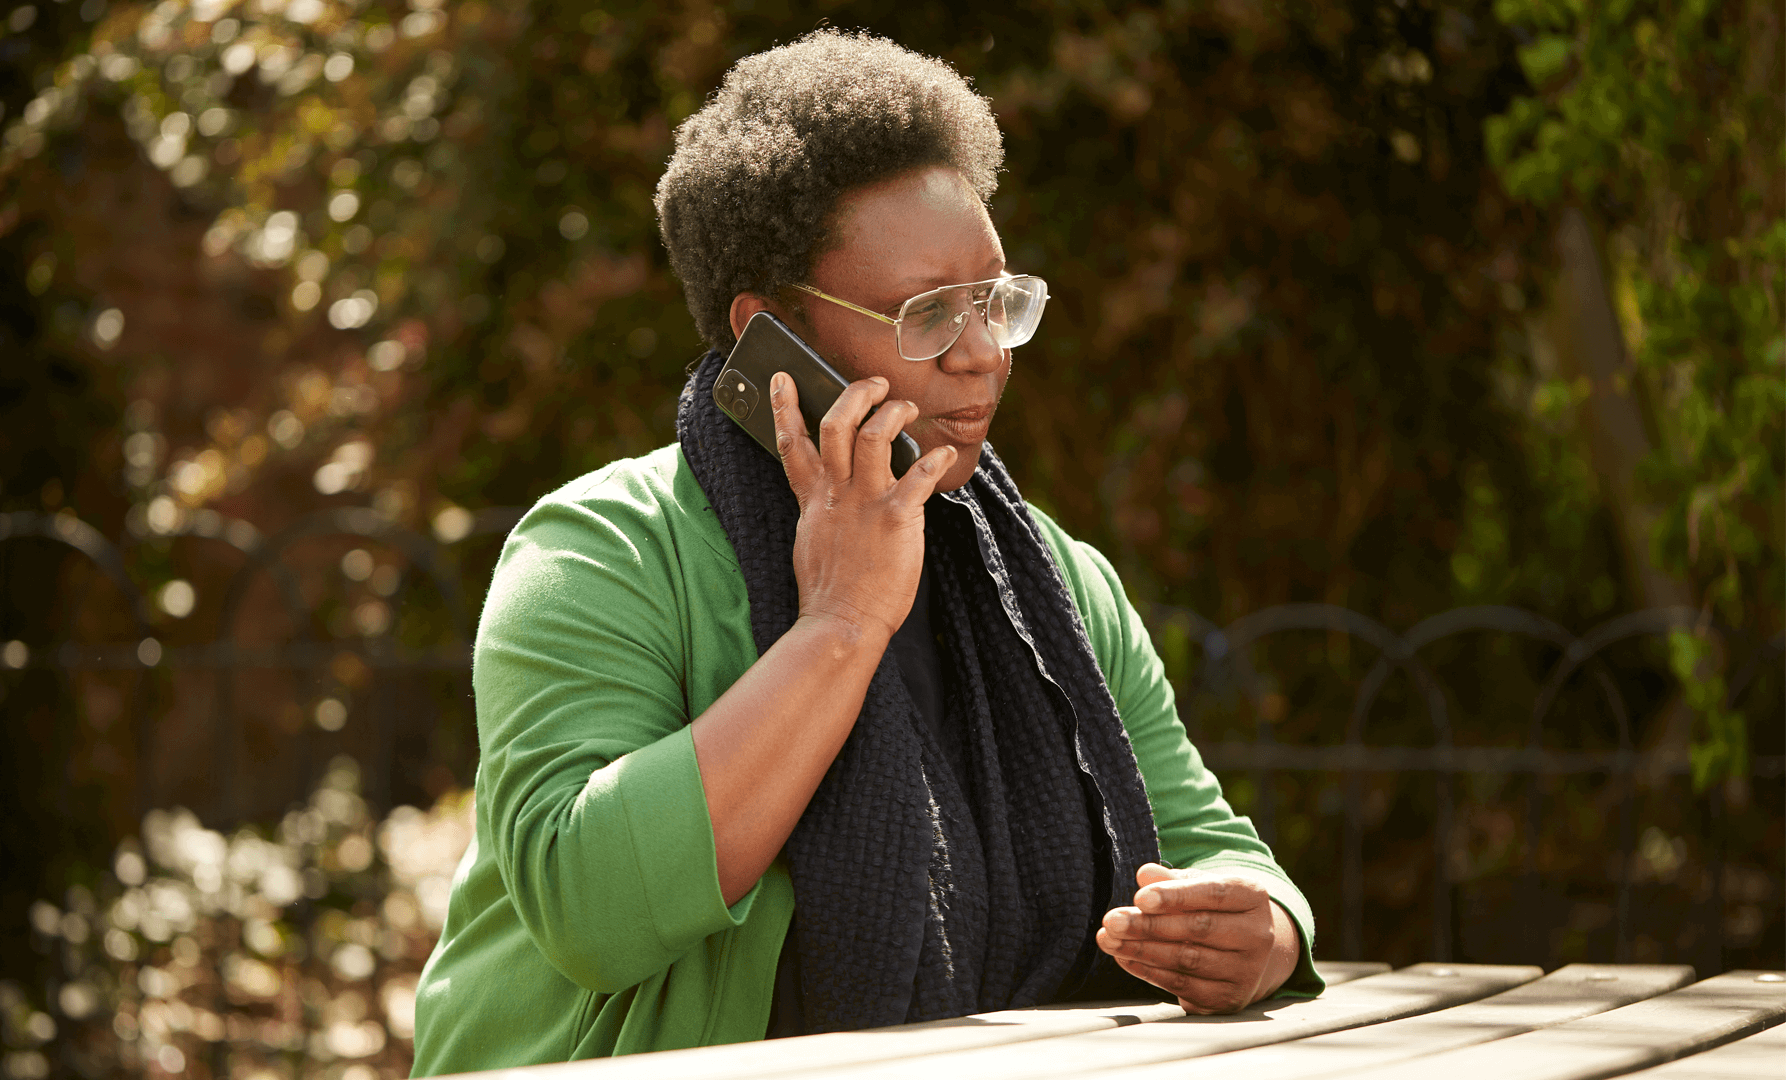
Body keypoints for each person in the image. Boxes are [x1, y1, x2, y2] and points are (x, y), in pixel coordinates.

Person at [409, 30, 1321, 1074]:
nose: (982, 354)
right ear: (772, 336)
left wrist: (1266, 933)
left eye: (995, 299)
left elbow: (1208, 843)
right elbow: (593, 908)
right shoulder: (601, 553)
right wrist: (840, 624)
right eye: (929, 314)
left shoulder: (1057, 584)